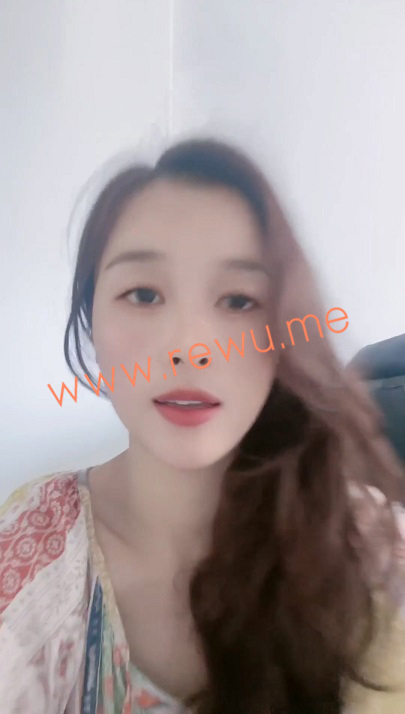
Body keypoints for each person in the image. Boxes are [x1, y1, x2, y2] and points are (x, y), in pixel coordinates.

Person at [1, 137, 405, 714]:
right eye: (143, 294)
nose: (190, 348)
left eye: (239, 300)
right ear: (92, 325)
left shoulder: (370, 551)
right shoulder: (33, 553)